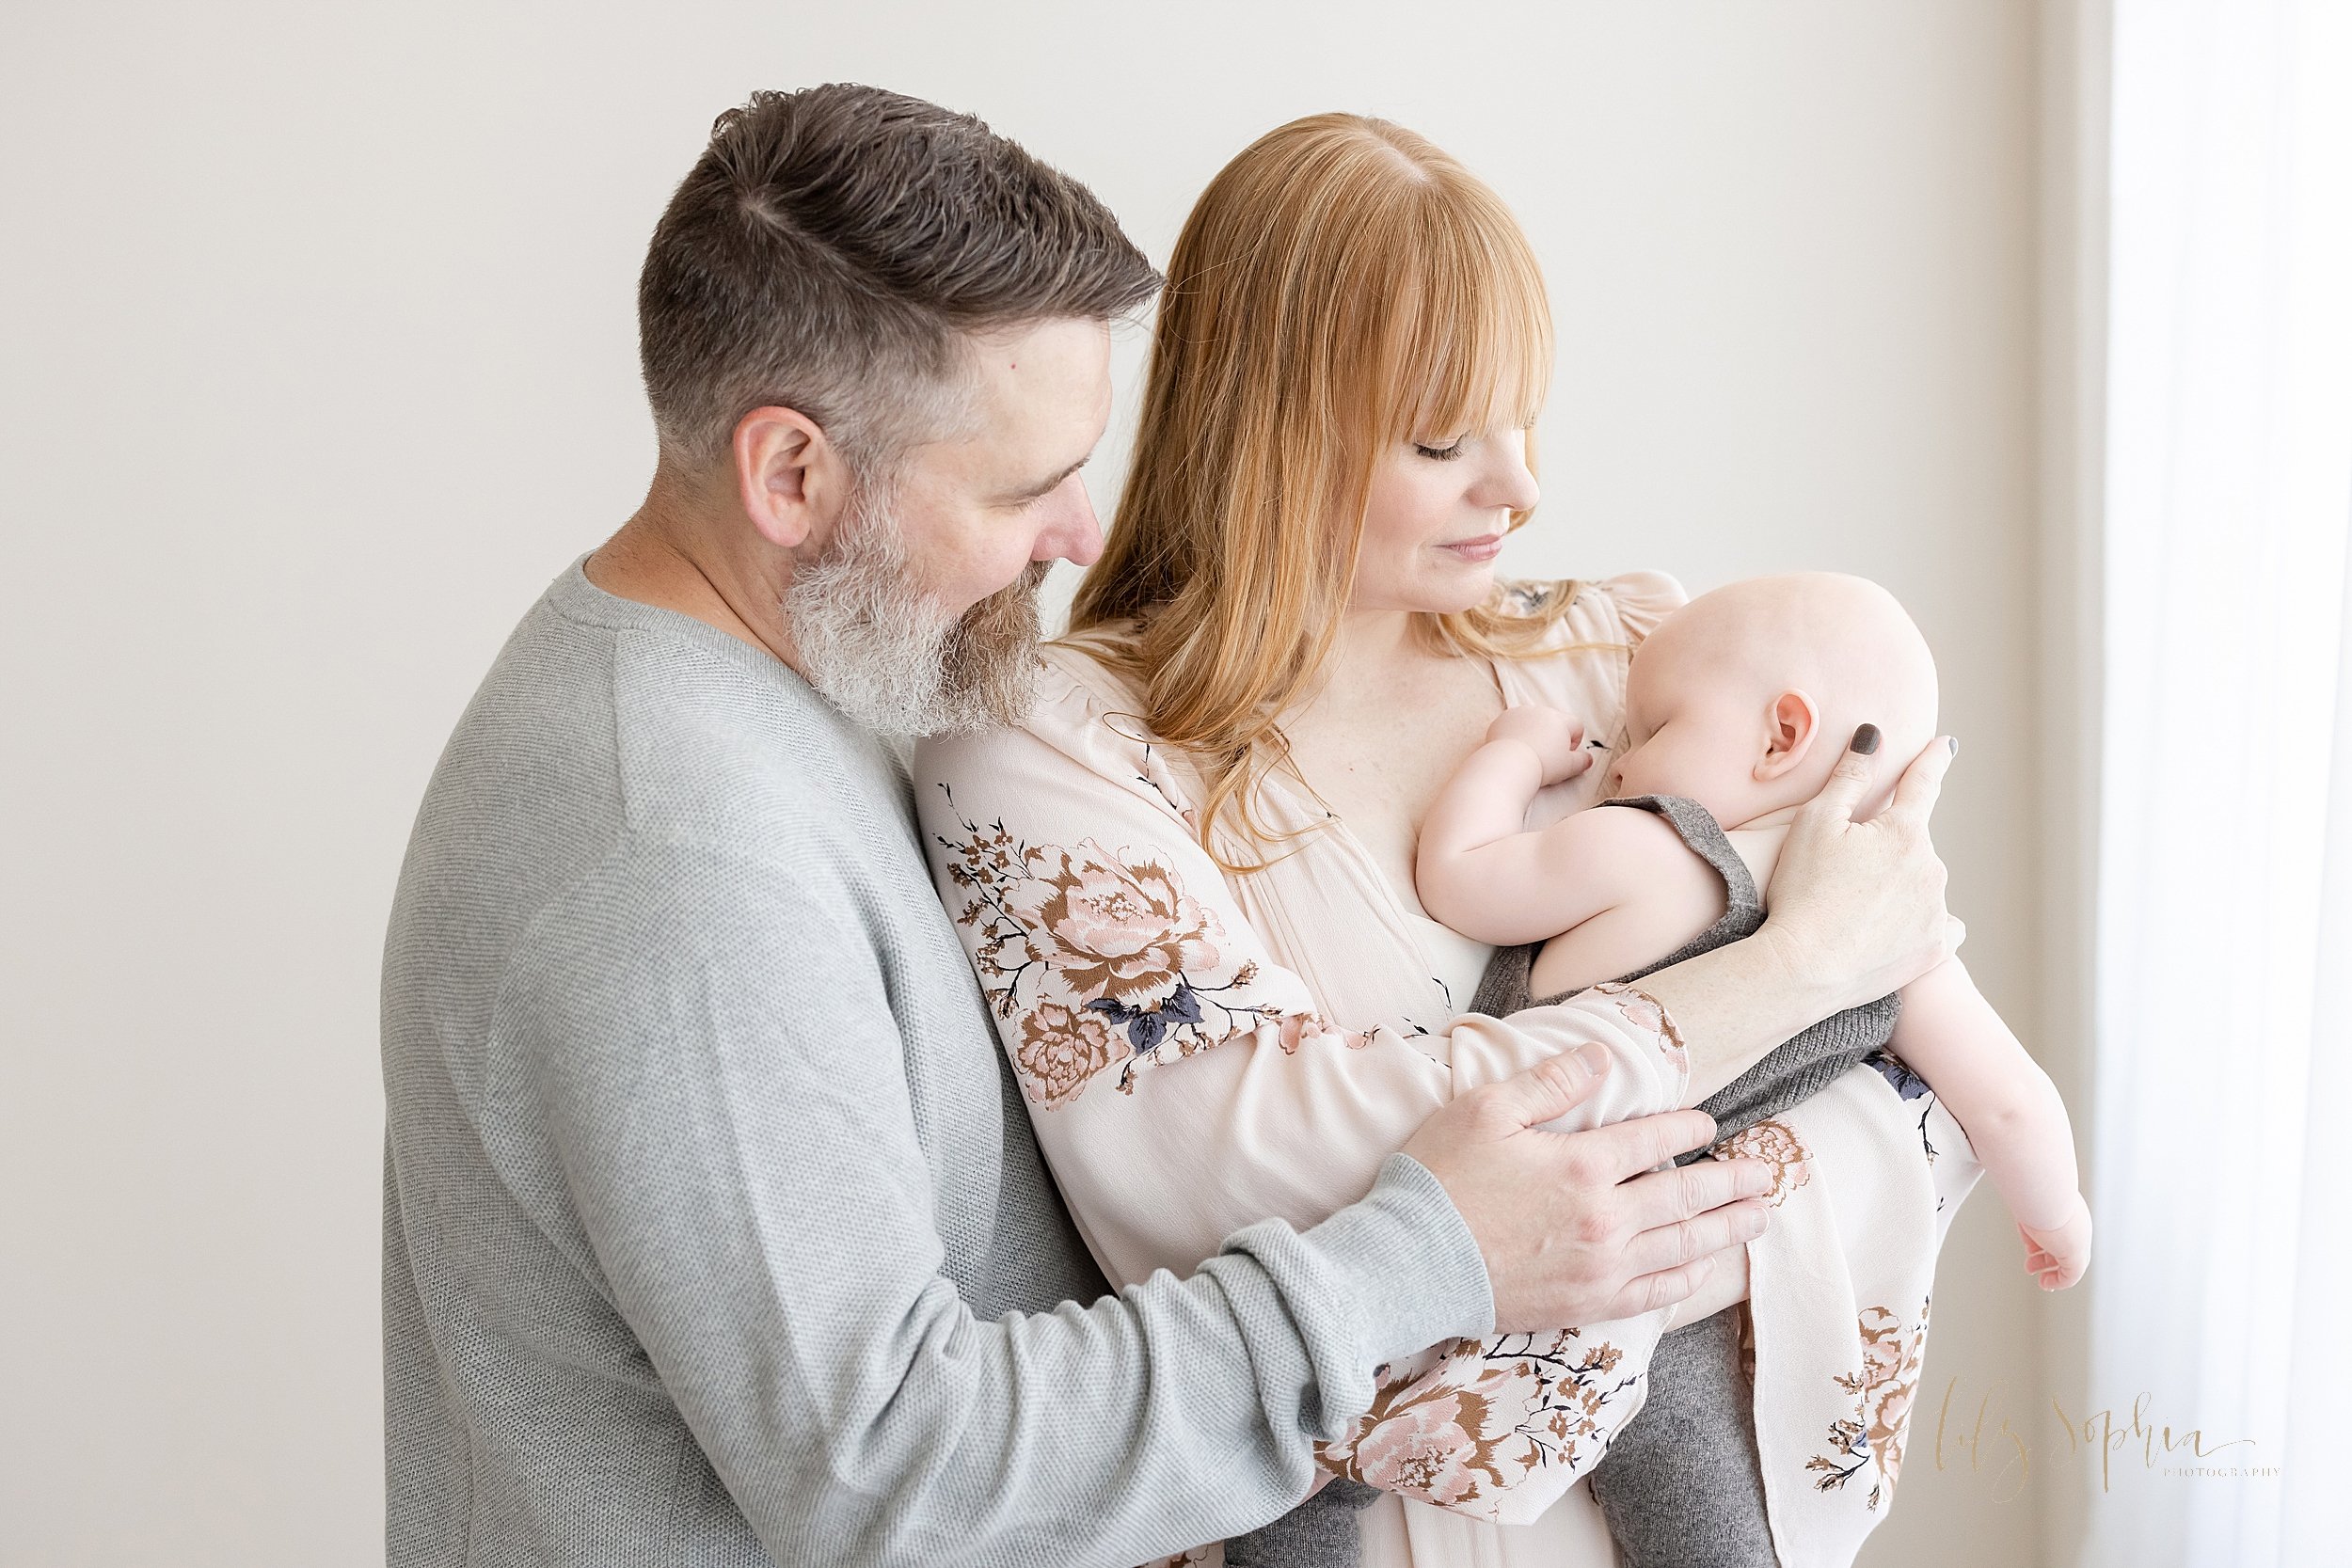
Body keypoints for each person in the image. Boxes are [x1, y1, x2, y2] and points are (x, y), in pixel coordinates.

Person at [378, 86, 1838, 1568]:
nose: (1084, 532)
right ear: (792, 475)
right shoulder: (677, 863)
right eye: (1026, 482)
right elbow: (898, 1473)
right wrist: (1433, 1249)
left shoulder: (795, 686)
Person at [912, 114, 1974, 1568]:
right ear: (1268, 423)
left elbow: (1910, 1055)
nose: (1521, 487)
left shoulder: (1630, 649)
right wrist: (1782, 976)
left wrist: (1591, 1244)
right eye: (1442, 438)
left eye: (1524, 418)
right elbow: (1247, 1179)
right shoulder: (1050, 749)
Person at [1421, 571, 2090, 1567]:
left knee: (1317, 1440)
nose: (1617, 753)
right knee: (1701, 1506)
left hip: (1510, 1220)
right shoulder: (1894, 933)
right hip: (1685, 1280)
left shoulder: (1643, 847)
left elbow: (1460, 875)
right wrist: (2059, 1215)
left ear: (1781, 734)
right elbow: (2005, 1096)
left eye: (1648, 723)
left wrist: (1512, 755)